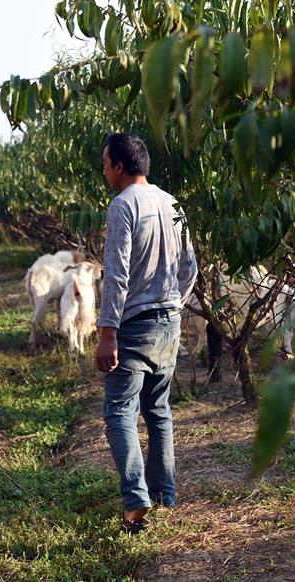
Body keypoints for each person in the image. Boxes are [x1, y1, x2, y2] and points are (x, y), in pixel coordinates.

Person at [95, 133, 198, 534]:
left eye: (105, 164)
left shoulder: (123, 206)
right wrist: (173, 303)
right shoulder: (173, 203)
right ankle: (164, 495)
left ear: (119, 166)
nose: (104, 171)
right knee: (158, 409)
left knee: (119, 410)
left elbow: (117, 274)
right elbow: (190, 265)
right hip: (168, 324)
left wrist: (108, 332)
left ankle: (136, 500)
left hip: (133, 326)